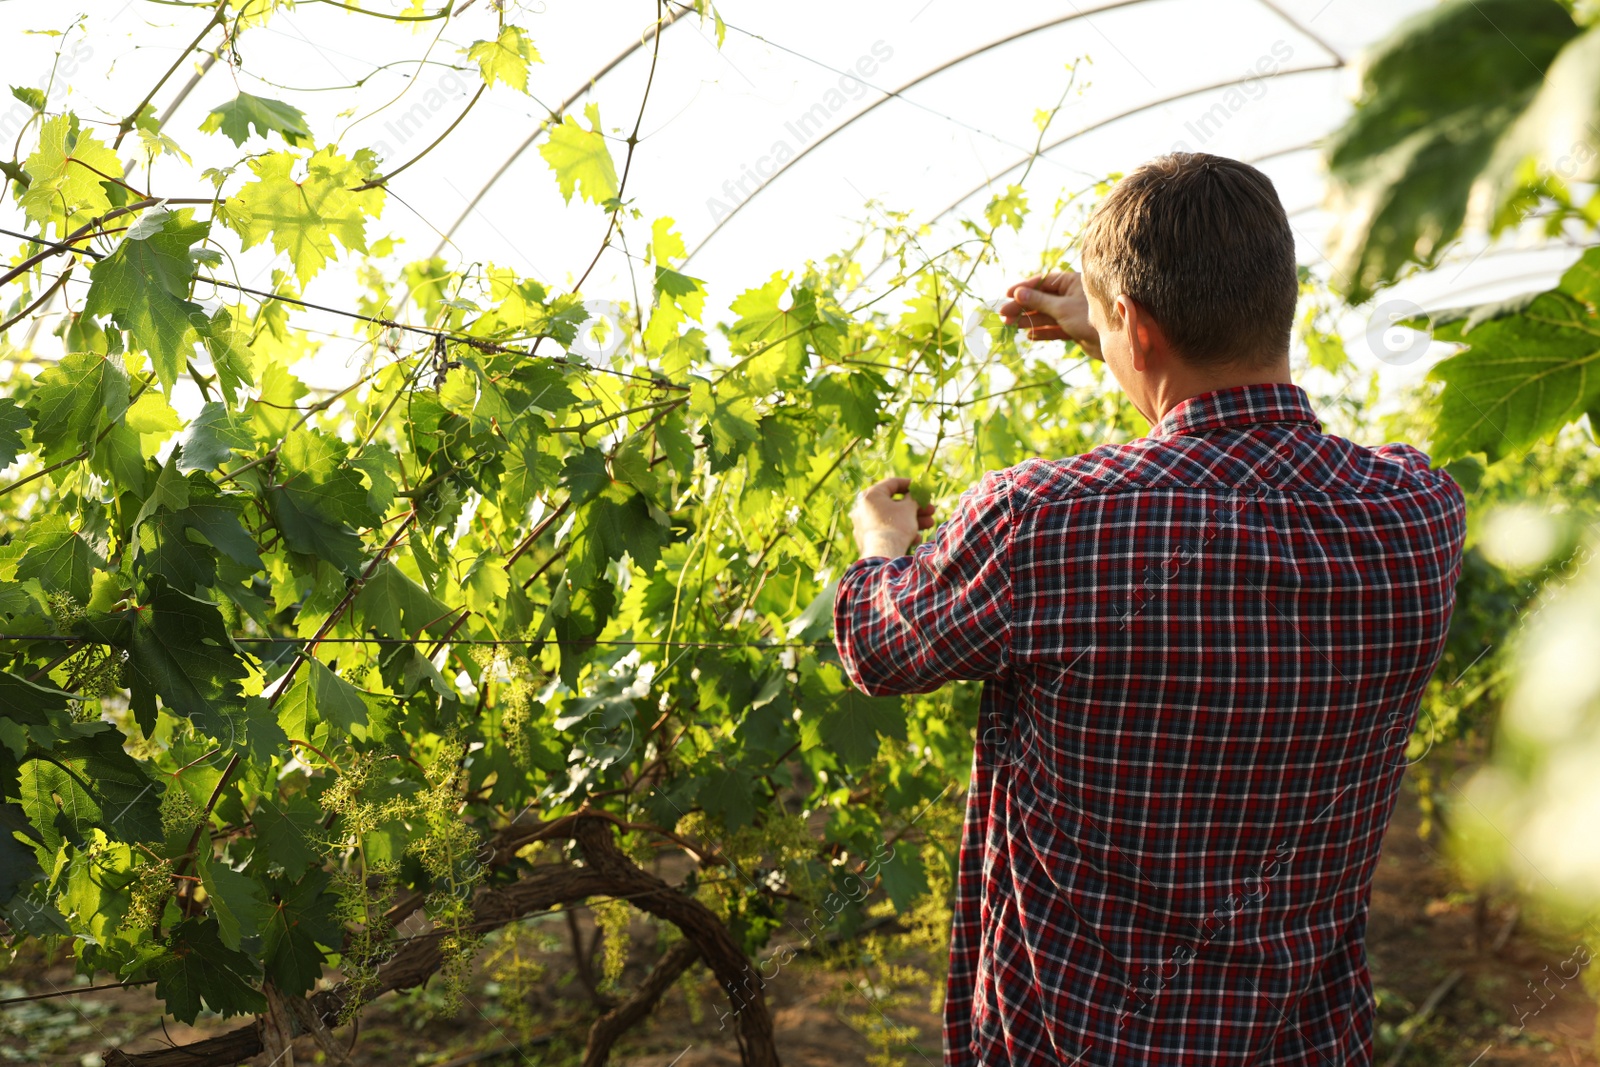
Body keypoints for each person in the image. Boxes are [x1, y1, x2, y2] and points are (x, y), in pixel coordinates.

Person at [832, 152, 1467, 1066]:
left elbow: (875, 646)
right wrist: (1122, 325)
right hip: (1304, 1043)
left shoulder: (1040, 524)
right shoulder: (1416, 513)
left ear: (1136, 322)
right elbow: (1218, 446)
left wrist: (881, 542)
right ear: (1281, 297)